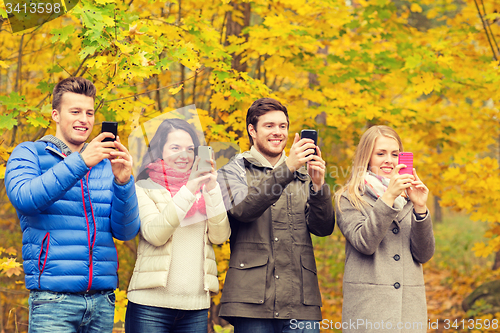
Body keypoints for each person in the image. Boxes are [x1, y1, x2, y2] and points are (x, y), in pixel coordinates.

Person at [4, 77, 141, 332]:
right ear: (55, 114)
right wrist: (81, 162)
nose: (84, 119)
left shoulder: (104, 164)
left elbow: (126, 231)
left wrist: (123, 182)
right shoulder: (29, 153)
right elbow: (25, 198)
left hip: (102, 301)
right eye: (75, 111)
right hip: (53, 301)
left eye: (89, 113)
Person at [217, 98, 335, 333]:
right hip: (251, 301)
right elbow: (243, 210)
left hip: (301, 299)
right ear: (252, 130)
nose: (278, 132)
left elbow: (323, 228)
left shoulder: (303, 173)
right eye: (269, 126)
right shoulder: (232, 170)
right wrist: (287, 168)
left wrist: (319, 187)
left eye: (283, 126)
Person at [125, 118, 230, 332]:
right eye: (175, 147)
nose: (184, 155)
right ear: (159, 151)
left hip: (195, 309)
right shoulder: (143, 188)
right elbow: (155, 235)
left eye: (190, 149)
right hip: (149, 307)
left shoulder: (205, 190)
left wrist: (211, 188)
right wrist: (189, 189)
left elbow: (220, 237)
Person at [335, 125, 435, 333]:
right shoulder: (349, 198)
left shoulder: (409, 199)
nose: (389, 160)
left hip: (408, 312)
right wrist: (389, 197)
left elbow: (424, 254)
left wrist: (420, 208)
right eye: (380, 153)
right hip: (369, 312)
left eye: (395, 154)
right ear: (367, 157)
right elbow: (365, 243)